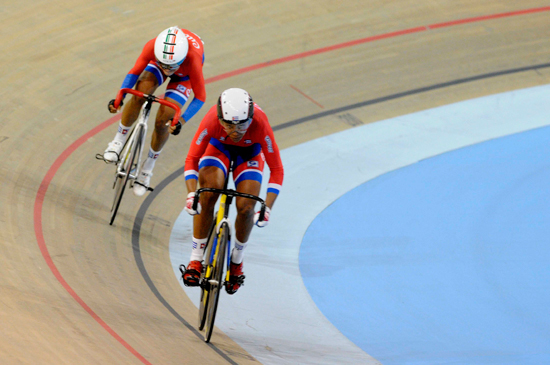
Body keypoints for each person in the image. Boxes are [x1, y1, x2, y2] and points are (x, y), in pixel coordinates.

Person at [182, 88, 284, 294]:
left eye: (242, 125)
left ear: (251, 118)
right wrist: (192, 194)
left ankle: (237, 262)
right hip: (218, 148)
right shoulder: (211, 119)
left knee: (246, 207)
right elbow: (191, 159)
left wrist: (268, 208)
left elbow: (277, 169)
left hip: (249, 154)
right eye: (228, 124)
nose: (235, 131)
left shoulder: (260, 123)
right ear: (220, 118)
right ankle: (195, 259)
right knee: (209, 194)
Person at [103, 26, 206, 196]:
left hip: (184, 75)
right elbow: (134, 72)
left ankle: (148, 167)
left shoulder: (193, 59)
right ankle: (117, 141)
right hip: (164, 63)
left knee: (165, 119)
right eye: (163, 65)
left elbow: (200, 97)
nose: (167, 70)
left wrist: (181, 121)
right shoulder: (153, 47)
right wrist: (119, 98)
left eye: (170, 66)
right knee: (139, 92)